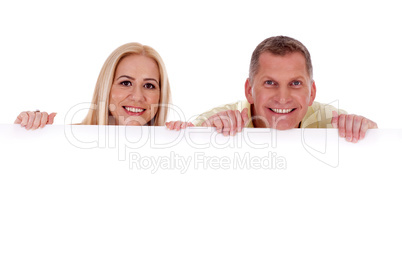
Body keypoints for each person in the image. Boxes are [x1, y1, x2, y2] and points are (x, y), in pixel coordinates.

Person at [166, 36, 377, 143]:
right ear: (249, 90)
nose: (283, 98)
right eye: (270, 83)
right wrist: (204, 134)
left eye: (295, 83)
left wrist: (368, 133)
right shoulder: (216, 121)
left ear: (312, 92)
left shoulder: (333, 123)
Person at [15, 42, 171, 129]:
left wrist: (191, 136)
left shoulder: (171, 149)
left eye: (149, 86)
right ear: (106, 89)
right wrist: (23, 134)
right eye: (126, 83)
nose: (137, 96)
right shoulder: (68, 141)